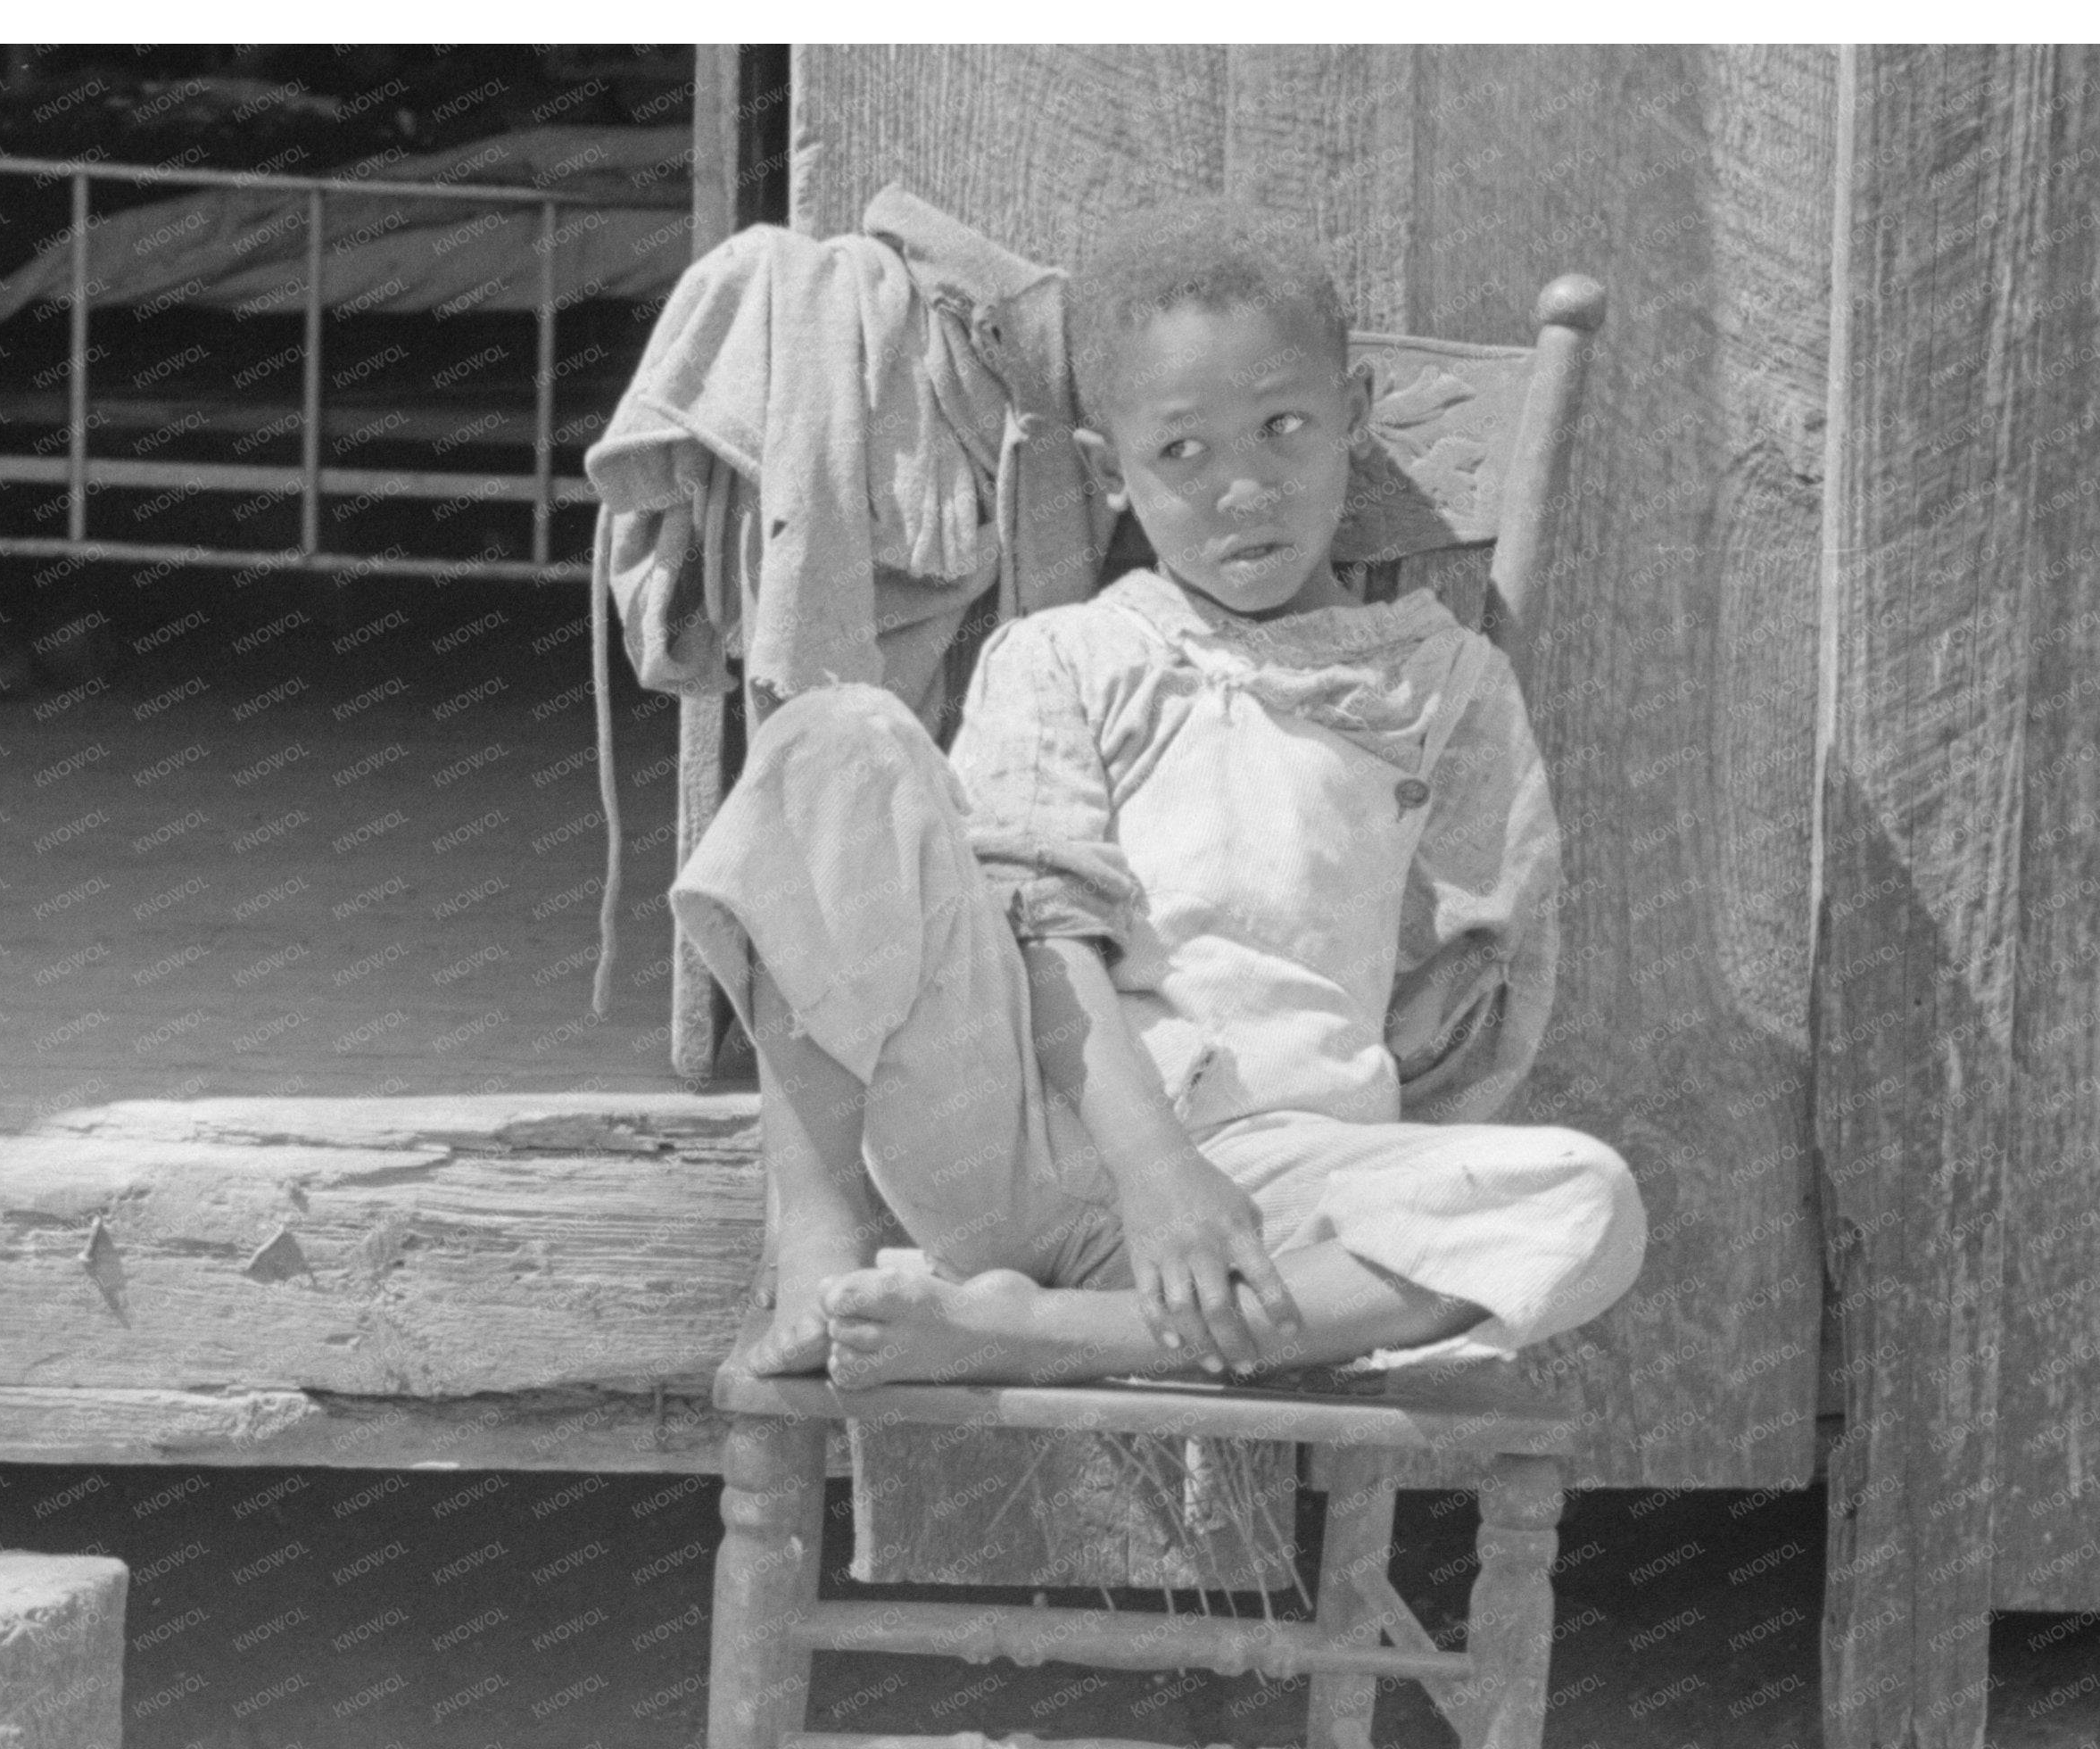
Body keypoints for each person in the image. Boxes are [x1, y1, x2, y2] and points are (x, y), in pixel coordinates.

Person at [671, 202, 1645, 1389]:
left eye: (1283, 428)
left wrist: (1361, 1175)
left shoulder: (1446, 683)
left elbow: (1474, 983)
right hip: (1017, 1141)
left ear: (1357, 418)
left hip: (1276, 1178)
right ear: (1108, 475)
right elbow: (1040, 928)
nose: (1243, 490)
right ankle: (818, 1237)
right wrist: (1161, 1174)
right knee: (840, 733)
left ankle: (1023, 1338)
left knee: (1584, 1200)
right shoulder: (1069, 655)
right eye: (1181, 452)